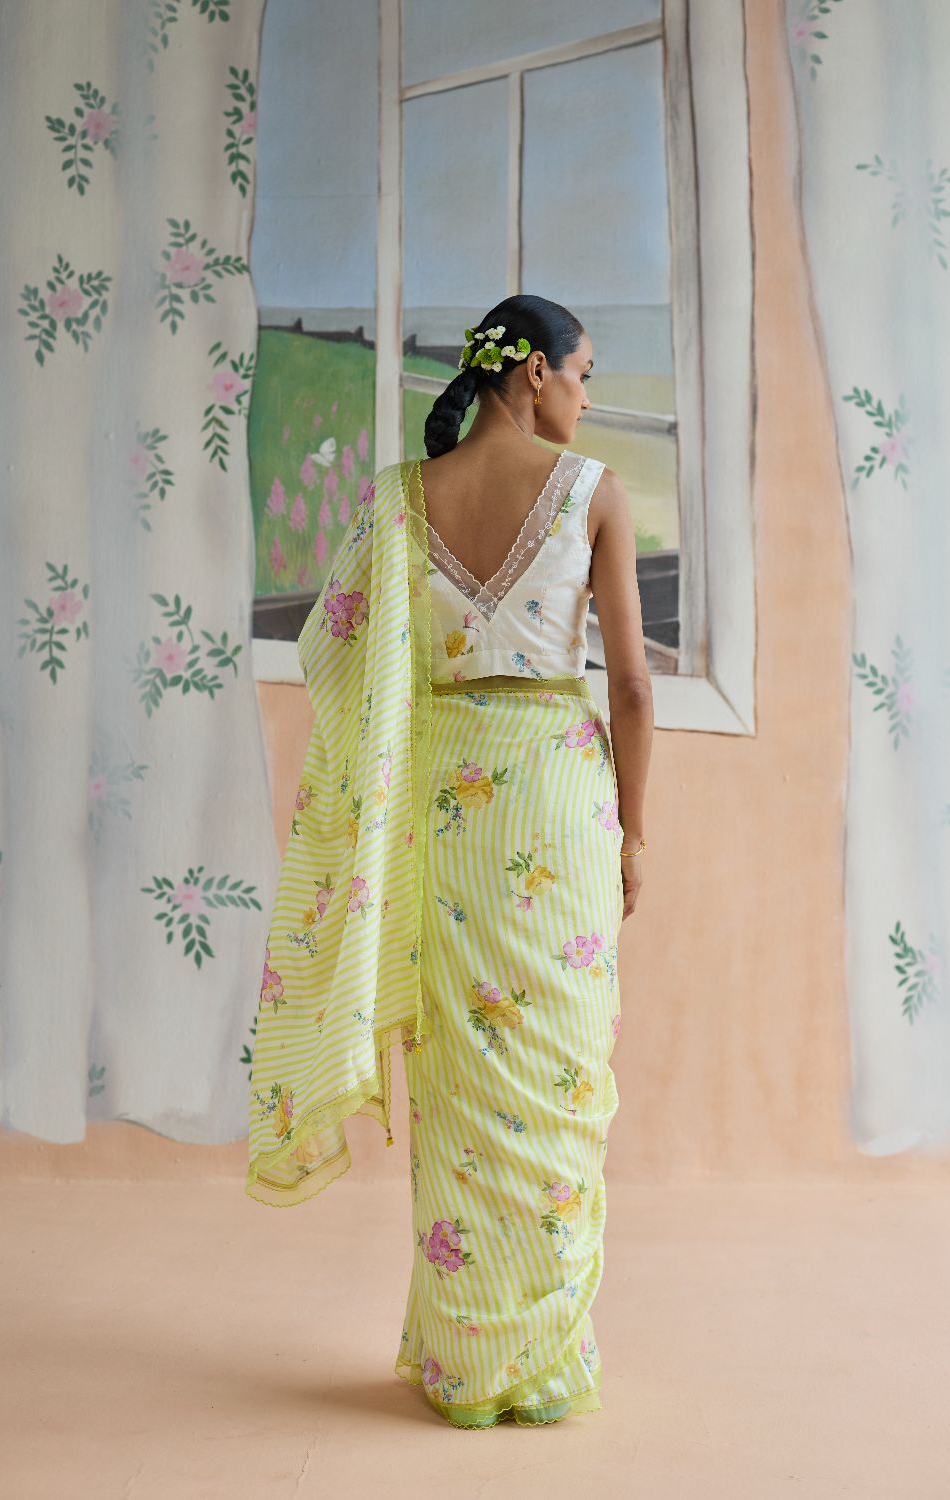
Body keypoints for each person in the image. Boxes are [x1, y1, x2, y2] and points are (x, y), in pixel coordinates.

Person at [245, 293, 653, 1431]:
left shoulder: (396, 501)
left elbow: (336, 650)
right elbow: (629, 687)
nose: (586, 396)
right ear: (532, 373)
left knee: (463, 1085)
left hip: (445, 805)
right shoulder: (595, 493)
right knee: (562, 1075)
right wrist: (635, 833)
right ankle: (542, 1363)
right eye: (581, 372)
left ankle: (464, 1363)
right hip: (557, 799)